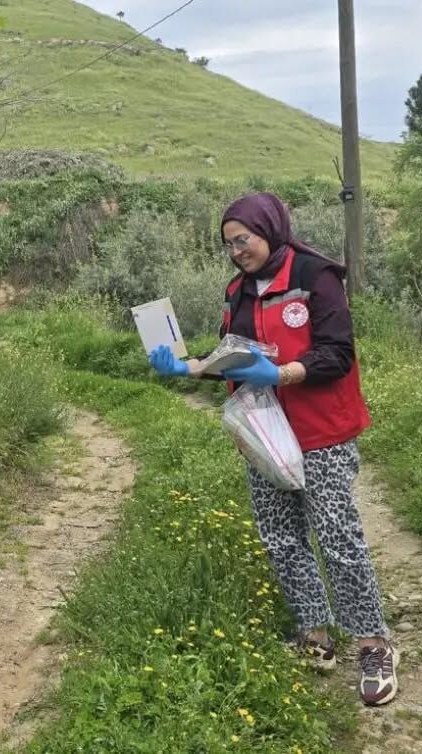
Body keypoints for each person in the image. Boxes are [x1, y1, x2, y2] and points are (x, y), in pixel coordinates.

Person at [147, 192, 397, 707]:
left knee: (337, 537)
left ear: (270, 229)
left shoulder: (315, 276)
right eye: (229, 244)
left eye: (244, 239)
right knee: (281, 538)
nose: (238, 251)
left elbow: (338, 354)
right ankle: (315, 636)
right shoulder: (236, 291)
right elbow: (231, 356)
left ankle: (374, 645)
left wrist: (281, 372)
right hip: (264, 434)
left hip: (321, 429)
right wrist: (189, 366)